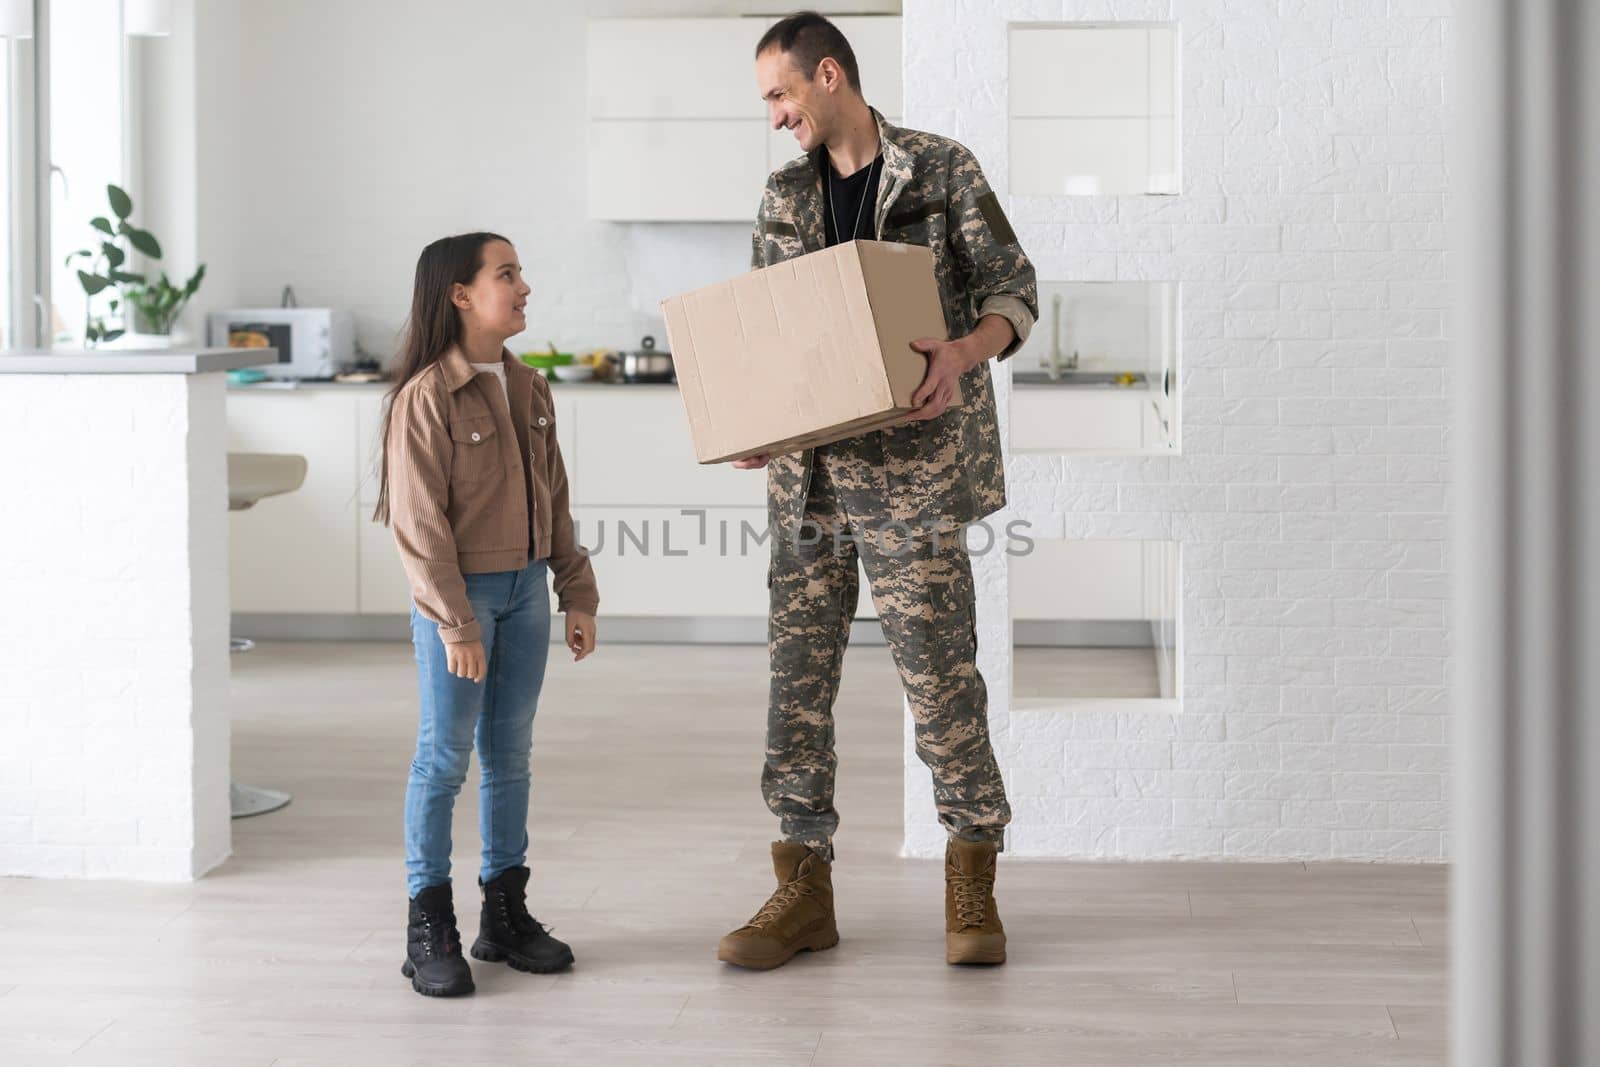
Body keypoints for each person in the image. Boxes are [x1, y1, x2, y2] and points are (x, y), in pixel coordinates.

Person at [716, 12, 1039, 971]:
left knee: (941, 680)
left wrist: (965, 352)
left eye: (779, 95)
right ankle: (802, 887)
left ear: (827, 75)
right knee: (796, 691)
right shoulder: (781, 197)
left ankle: (972, 875)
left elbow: (1014, 291)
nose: (775, 116)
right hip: (809, 482)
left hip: (916, 478)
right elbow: (774, 334)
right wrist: (755, 417)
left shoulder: (939, 170)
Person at [374, 232, 600, 997]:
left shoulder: (531, 388)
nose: (524, 286)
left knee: (511, 755)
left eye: (520, 272)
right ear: (461, 295)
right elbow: (419, 524)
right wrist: (456, 621)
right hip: (459, 601)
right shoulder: (425, 397)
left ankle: (503, 914)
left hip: (528, 590)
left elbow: (555, 500)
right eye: (507, 274)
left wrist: (577, 590)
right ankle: (427, 920)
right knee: (444, 756)